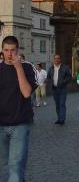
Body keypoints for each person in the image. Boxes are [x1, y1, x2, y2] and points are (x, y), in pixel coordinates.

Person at [0, 35, 38, 181]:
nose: (9, 54)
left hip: (20, 123)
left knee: (15, 165)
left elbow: (27, 92)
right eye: (6, 50)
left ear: (18, 50)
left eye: (13, 50)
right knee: (4, 164)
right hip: (1, 124)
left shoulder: (28, 67)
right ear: (2, 51)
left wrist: (18, 67)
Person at [47, 54, 72, 125]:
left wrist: (63, 82)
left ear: (60, 59)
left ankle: (62, 119)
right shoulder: (51, 68)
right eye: (55, 58)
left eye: (58, 58)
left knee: (62, 104)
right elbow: (48, 77)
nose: (56, 60)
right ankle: (59, 118)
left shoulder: (65, 67)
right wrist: (50, 83)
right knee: (57, 105)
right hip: (54, 89)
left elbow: (69, 77)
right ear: (53, 60)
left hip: (62, 89)